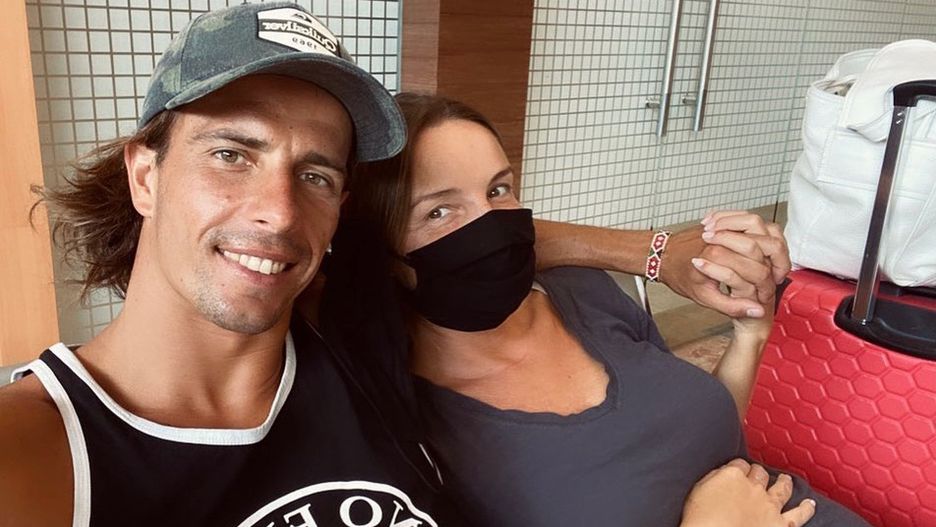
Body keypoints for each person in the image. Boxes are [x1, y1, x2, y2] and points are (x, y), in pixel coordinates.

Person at [0, 3, 806, 526]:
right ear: (145, 174)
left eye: (316, 174)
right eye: (231, 153)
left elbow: (485, 240)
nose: (278, 211)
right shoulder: (45, 446)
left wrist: (656, 255)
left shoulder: (344, 348)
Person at [321, 92, 872, 526]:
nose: (490, 224)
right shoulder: (407, 421)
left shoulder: (582, 290)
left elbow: (706, 440)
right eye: (440, 211)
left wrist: (749, 335)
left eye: (498, 189)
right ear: (380, 250)